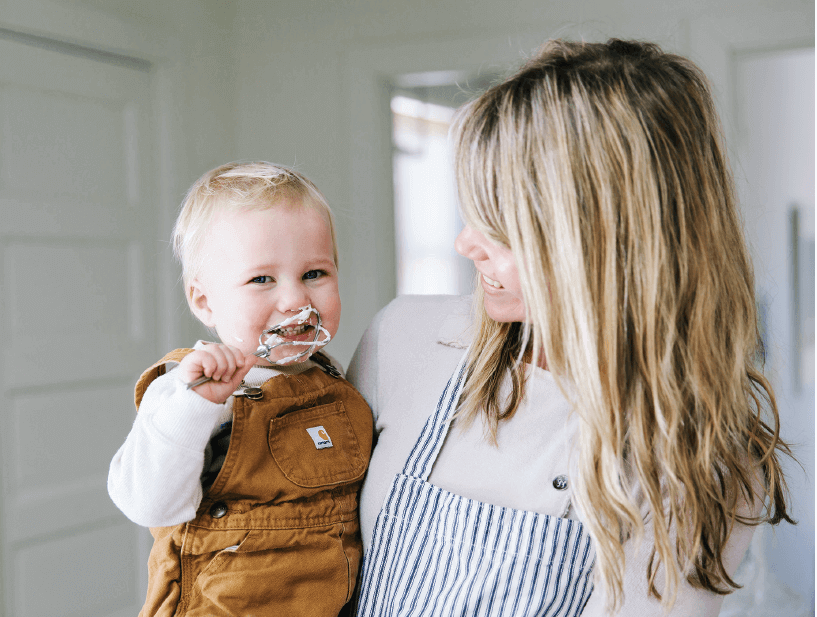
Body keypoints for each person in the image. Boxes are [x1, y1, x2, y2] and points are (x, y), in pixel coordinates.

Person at [347, 39, 793, 616]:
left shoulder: (702, 457)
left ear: (609, 238)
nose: (465, 244)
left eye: (502, 226)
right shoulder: (404, 338)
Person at [108, 161, 373, 617]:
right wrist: (195, 408)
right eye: (261, 279)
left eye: (315, 274)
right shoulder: (187, 389)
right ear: (204, 301)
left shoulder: (334, 383)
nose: (295, 300)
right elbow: (147, 503)